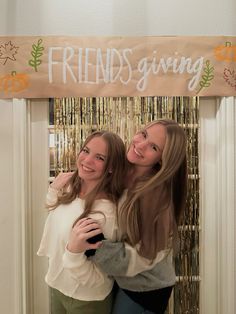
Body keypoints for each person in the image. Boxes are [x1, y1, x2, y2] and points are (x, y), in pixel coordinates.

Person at [88, 119, 188, 314]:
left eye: (153, 147)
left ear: (162, 158)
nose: (140, 145)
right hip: (123, 279)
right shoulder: (121, 171)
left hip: (145, 289)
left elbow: (145, 256)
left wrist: (95, 246)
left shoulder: (156, 196)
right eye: (143, 134)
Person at [37, 130, 127, 314]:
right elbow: (56, 218)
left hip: (86, 301)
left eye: (100, 158)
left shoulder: (105, 215)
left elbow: (100, 278)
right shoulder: (71, 189)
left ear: (111, 168)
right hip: (58, 287)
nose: (86, 161)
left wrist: (73, 254)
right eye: (86, 151)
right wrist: (53, 190)